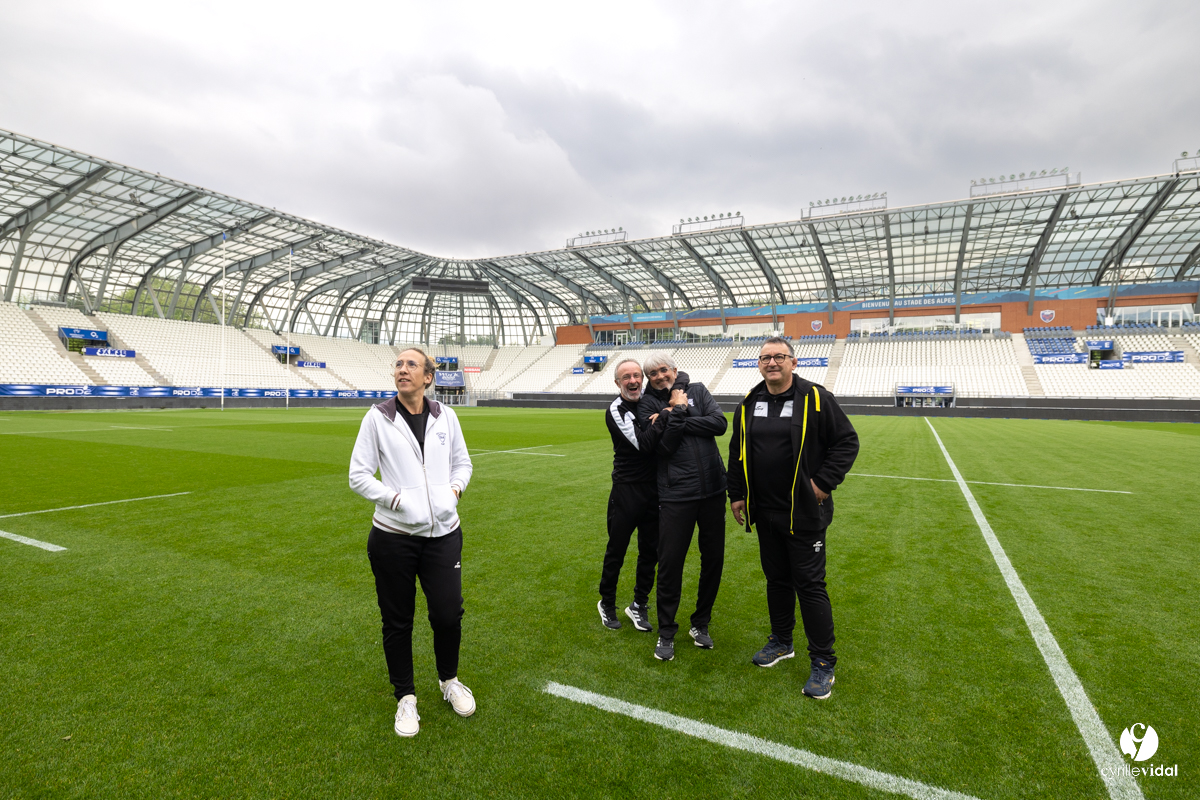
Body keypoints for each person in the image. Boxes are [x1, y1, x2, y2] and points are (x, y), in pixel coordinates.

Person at [349, 347, 475, 737]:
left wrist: (452, 492)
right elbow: (358, 475)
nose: (402, 370)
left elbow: (463, 464)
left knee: (447, 614)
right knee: (397, 621)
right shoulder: (378, 418)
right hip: (393, 538)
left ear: (427, 378)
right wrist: (397, 500)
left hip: (443, 535)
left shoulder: (446, 416)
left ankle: (448, 681)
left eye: (411, 365)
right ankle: (406, 698)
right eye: (399, 365)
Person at [727, 336, 859, 700]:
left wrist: (822, 484)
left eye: (779, 357)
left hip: (804, 514)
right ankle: (782, 642)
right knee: (777, 581)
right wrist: (736, 493)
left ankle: (822, 663)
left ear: (793, 362)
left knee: (811, 586)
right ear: (759, 363)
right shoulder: (749, 402)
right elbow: (737, 450)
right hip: (765, 512)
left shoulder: (816, 398)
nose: (772, 362)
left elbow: (847, 442)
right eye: (766, 357)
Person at [637, 352, 727, 662]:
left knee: (713, 559)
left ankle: (700, 624)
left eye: (663, 370)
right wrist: (672, 413)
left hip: (714, 490)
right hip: (676, 493)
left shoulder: (698, 390)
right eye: (653, 374)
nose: (660, 376)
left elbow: (719, 424)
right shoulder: (647, 405)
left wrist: (676, 411)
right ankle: (666, 633)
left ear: (674, 370)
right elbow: (663, 446)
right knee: (671, 563)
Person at [599, 358, 660, 632]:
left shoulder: (651, 401)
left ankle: (638, 605)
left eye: (637, 375)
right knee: (617, 550)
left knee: (650, 552)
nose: (633, 381)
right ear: (617, 382)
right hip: (626, 490)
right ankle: (607, 603)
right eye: (627, 377)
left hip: (655, 490)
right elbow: (642, 445)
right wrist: (667, 416)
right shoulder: (616, 408)